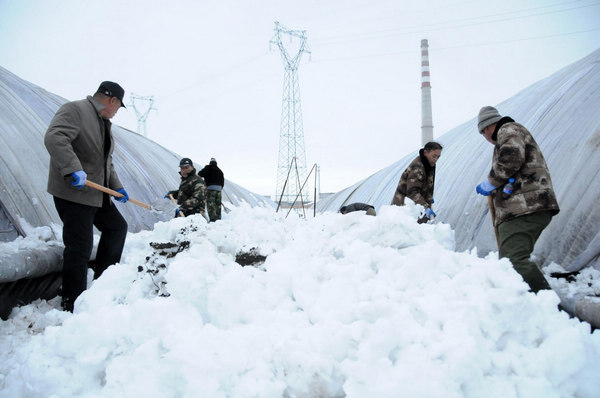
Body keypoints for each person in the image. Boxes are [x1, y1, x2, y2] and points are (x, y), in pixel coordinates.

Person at [44, 81, 130, 312]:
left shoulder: (103, 123)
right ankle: (72, 300)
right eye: (118, 106)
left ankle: (104, 282)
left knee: (117, 227)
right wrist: (73, 168)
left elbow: (106, 162)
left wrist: (117, 187)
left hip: (96, 194)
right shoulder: (75, 109)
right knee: (80, 246)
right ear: (112, 100)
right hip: (73, 193)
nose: (116, 112)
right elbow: (55, 137)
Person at [475, 106, 560, 293]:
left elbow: (511, 158)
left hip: (525, 206)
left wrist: (491, 182)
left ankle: (548, 307)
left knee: (513, 262)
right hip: (522, 207)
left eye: (483, 133)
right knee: (510, 262)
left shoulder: (509, 130)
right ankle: (532, 304)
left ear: (488, 127)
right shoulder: (510, 133)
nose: (486, 138)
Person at [391, 141, 442, 223]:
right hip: (404, 209)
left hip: (417, 206)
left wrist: (428, 196)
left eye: (438, 157)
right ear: (425, 153)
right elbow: (412, 192)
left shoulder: (429, 164)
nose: (435, 160)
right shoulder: (417, 167)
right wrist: (426, 206)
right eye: (434, 156)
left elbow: (426, 184)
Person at [198, 157, 224, 222]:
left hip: (210, 188)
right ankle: (218, 219)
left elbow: (200, 174)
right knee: (218, 204)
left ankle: (213, 219)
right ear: (216, 163)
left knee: (211, 204)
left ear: (210, 163)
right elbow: (222, 181)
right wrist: (220, 188)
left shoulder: (208, 167)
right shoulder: (220, 171)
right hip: (219, 190)